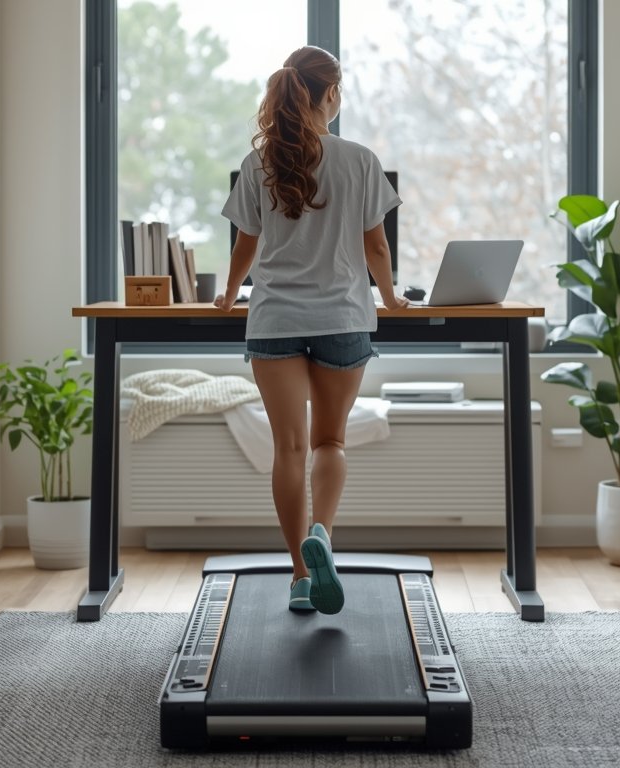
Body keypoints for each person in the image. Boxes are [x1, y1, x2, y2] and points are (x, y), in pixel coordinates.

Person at [218, 45, 408, 615]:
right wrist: (393, 296)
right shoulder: (359, 159)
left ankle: (300, 575)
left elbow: (245, 243)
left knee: (288, 448)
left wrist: (228, 295)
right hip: (343, 318)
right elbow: (376, 244)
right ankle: (320, 534)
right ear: (328, 94)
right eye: (339, 89)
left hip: (274, 317)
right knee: (330, 441)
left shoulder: (259, 163)